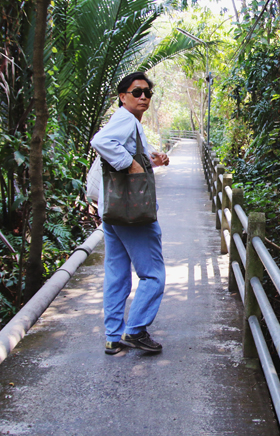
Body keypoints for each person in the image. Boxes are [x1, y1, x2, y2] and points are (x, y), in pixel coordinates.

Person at [90, 71, 170, 355]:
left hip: (113, 212)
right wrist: (131, 165)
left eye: (148, 92)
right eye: (137, 92)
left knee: (117, 275)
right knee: (153, 275)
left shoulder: (128, 123)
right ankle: (135, 330)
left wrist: (151, 160)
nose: (144, 97)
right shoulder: (124, 119)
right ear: (122, 96)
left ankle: (113, 336)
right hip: (132, 214)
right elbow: (101, 142)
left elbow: (126, 152)